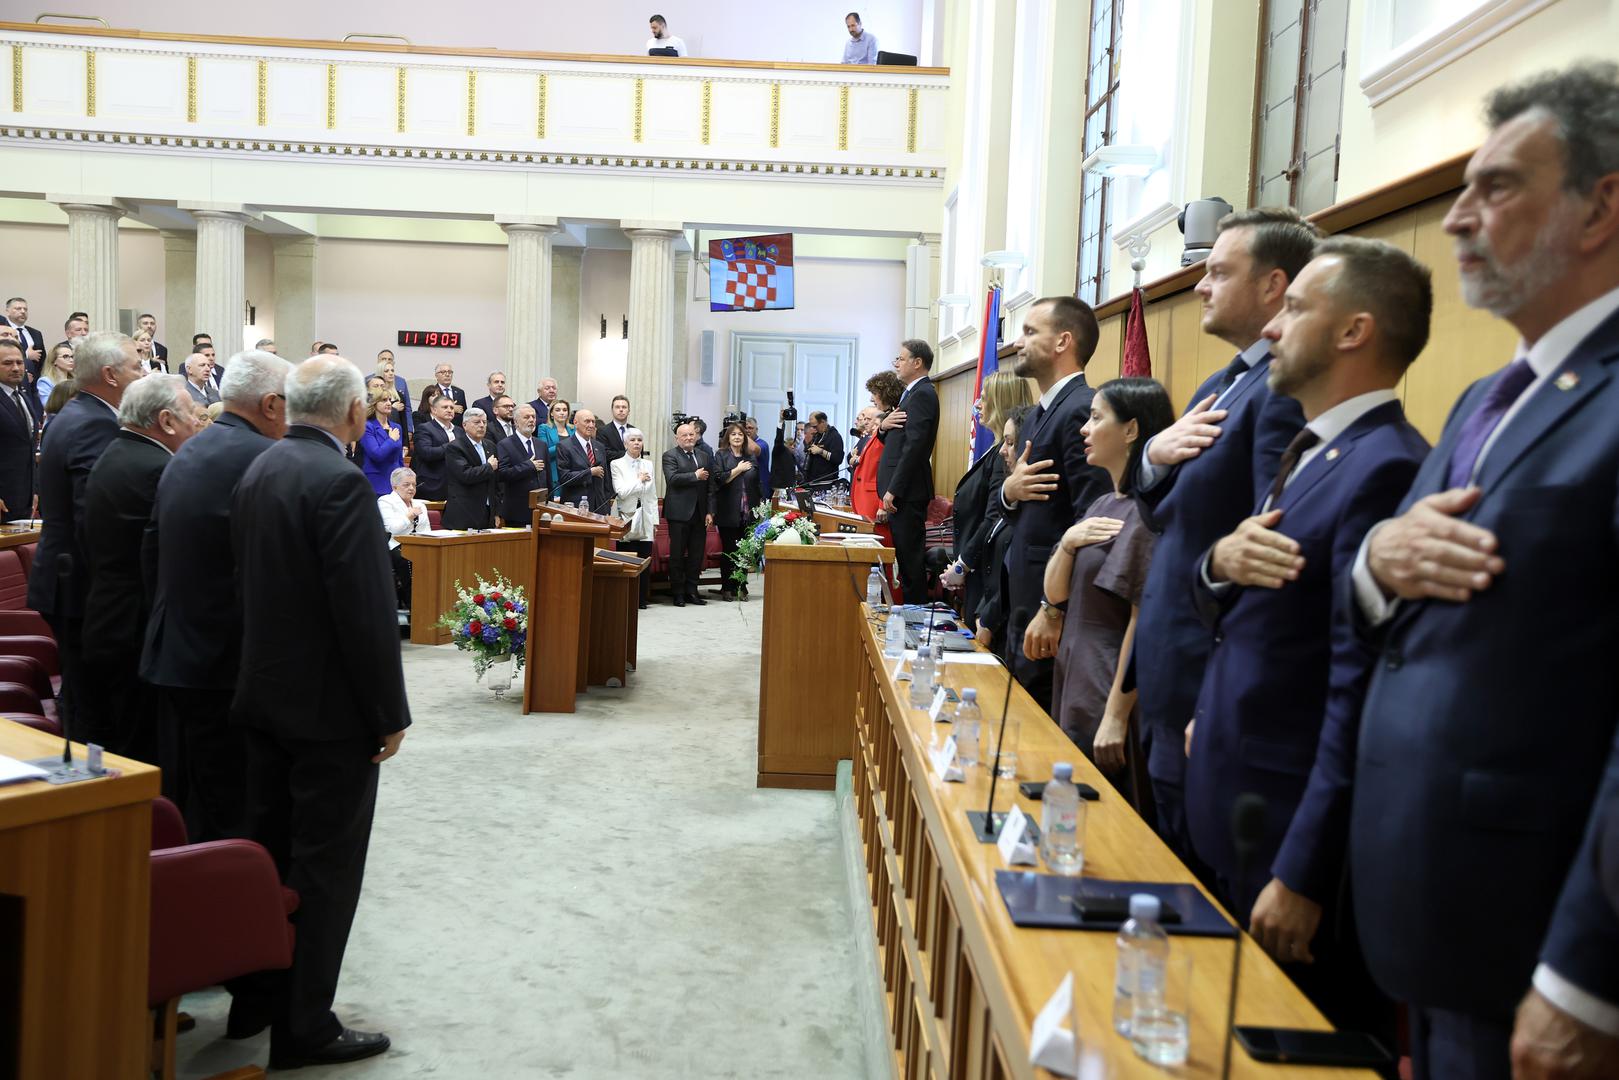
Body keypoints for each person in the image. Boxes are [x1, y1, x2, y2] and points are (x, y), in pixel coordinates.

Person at [1341, 65, 1619, 1079]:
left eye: (1493, 187)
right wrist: (1374, 559)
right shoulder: (1481, 400)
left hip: (1543, 940)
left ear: (1600, 204)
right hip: (1434, 911)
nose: (1454, 219)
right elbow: (1387, 590)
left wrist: (1585, 976)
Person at [1179, 236, 1432, 1044]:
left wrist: (1304, 869)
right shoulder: (1315, 448)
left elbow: (1355, 681)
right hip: (1236, 788)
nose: (1275, 330)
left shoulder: (1385, 466)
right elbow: (1246, 609)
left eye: (1293, 309)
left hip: (1288, 824)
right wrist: (1217, 562)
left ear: (1353, 332)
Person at [230, 354, 406, 1069]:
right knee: (327, 871)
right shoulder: (337, 482)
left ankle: (265, 1000)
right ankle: (305, 1027)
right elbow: (365, 615)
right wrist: (388, 713)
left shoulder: (260, 468)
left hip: (263, 696)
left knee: (271, 855)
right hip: (329, 713)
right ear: (355, 414)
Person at [1132, 206, 1314, 861]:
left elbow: (1264, 545)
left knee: (1200, 886)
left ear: (1272, 286)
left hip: (1205, 682)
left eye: (1216, 272)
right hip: (1167, 668)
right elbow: (1164, 515)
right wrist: (1152, 453)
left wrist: (1216, 700)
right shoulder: (1223, 383)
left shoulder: (1281, 389)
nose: (1198, 286)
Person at [142, 349, 292, 843]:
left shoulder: (190, 450)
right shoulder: (266, 460)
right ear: (271, 405)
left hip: (180, 649)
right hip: (228, 664)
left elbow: (152, 550)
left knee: (197, 797)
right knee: (237, 810)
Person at [1022, 377, 1171, 807]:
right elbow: (1056, 593)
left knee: (1108, 810)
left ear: (1131, 430)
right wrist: (1068, 542)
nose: (1085, 429)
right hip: (1076, 670)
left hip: (1108, 681)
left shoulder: (1145, 513)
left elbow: (1141, 624)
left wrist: (1115, 715)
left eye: (1095, 418)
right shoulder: (1104, 503)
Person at [26, 331, 144, 744]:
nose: (144, 372)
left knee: (84, 696)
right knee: (95, 703)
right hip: (81, 585)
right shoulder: (94, 423)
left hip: (67, 578)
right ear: (111, 375)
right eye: (136, 365)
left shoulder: (80, 413)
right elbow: (95, 517)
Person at [79, 374, 203, 761]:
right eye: (191, 416)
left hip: (109, 618)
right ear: (166, 421)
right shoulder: (158, 468)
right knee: (138, 753)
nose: (196, 425)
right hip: (135, 628)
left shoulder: (118, 452)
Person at [1000, 299, 1111, 710]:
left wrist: (1056, 608)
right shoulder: (1037, 415)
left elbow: (1092, 517)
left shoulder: (1082, 408)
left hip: (1050, 604)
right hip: (1024, 595)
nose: (1017, 342)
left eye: (1030, 332)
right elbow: (1021, 501)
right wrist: (1009, 492)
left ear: (1063, 341)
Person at [941, 370, 1033, 625]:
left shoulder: (1004, 460)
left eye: (984, 398)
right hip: (978, 570)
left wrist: (963, 564)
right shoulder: (995, 451)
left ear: (1001, 401)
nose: (977, 404)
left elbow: (993, 517)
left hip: (987, 573)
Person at [876, 339, 941, 604]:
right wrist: (882, 427)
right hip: (903, 490)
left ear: (917, 363)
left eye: (901, 359)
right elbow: (896, 440)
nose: (896, 364)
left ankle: (916, 623)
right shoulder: (910, 394)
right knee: (905, 559)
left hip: (908, 492)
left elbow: (915, 447)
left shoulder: (923, 393)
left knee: (911, 564)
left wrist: (894, 488)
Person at [661, 421, 714, 607]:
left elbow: (710, 487)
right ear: (677, 438)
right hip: (678, 513)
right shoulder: (670, 455)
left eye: (691, 434)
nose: (689, 438)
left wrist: (710, 511)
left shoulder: (704, 456)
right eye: (684, 435)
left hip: (700, 513)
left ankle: (692, 591)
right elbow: (672, 479)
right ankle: (678, 593)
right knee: (676, 555)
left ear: (696, 436)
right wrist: (695, 476)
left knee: (696, 555)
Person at [712, 421, 762, 602]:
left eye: (740, 435)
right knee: (729, 551)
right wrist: (737, 469)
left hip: (747, 511)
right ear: (728, 438)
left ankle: (741, 586)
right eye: (733, 435)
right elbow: (719, 479)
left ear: (745, 438)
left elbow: (755, 481)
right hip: (727, 511)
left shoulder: (750, 456)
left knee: (744, 551)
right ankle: (727, 587)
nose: (737, 437)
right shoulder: (721, 455)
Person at [611, 426, 658, 610]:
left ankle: (641, 600)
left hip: (645, 517)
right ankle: (627, 598)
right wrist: (638, 480)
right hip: (627, 516)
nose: (637, 443)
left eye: (639, 440)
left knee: (644, 559)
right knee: (629, 557)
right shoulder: (617, 464)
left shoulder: (649, 465)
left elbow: (652, 495)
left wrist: (655, 520)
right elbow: (621, 492)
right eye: (633, 440)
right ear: (625, 443)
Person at [0, 339, 41, 522]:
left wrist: (33, 490)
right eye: (7, 363)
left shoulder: (23, 397)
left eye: (19, 362)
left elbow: (28, 450)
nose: (16, 368)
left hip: (23, 498)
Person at [378, 466, 428, 612]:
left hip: (420, 543)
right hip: (396, 545)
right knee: (408, 559)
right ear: (395, 486)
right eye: (406, 485)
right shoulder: (385, 501)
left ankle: (428, 601)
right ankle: (414, 605)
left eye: (413, 484)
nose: (411, 488)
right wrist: (408, 516)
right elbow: (393, 528)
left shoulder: (420, 504)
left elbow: (426, 530)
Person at [443, 407, 500, 529]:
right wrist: (489, 467)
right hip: (464, 511)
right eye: (477, 422)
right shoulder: (455, 447)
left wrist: (496, 512)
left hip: (488, 510)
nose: (481, 426)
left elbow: (495, 482)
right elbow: (465, 475)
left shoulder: (490, 446)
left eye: (484, 422)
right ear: (464, 425)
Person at [494, 404, 548, 526]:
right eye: (526, 417)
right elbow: (502, 474)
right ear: (516, 422)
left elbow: (547, 475)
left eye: (533, 417)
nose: (531, 420)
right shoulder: (505, 444)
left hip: (540, 509)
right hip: (517, 510)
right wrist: (528, 466)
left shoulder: (541, 445)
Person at [556, 408, 612, 510]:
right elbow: (564, 477)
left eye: (593, 422)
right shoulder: (564, 446)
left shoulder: (599, 446)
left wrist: (606, 506)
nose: (591, 425)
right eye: (587, 421)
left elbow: (605, 481)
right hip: (575, 506)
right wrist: (589, 472)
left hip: (599, 507)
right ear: (576, 423)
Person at [358, 389, 405, 497]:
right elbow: (377, 454)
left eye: (389, 400)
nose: (389, 403)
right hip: (376, 481)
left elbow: (399, 458)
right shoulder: (367, 426)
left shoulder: (396, 427)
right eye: (384, 400)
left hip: (395, 482)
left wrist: (403, 478)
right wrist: (391, 440)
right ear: (374, 404)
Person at [412, 393, 458, 501]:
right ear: (434, 410)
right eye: (445, 407)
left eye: (452, 407)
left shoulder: (459, 431)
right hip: (432, 485)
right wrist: (451, 446)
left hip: (455, 486)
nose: (449, 410)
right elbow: (426, 453)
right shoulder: (425, 428)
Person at [536, 397, 573, 495]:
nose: (562, 412)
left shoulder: (573, 429)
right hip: (554, 473)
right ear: (551, 413)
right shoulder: (544, 428)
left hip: (572, 473)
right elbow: (544, 452)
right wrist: (563, 445)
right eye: (558, 410)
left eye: (565, 410)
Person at [375, 351, 412, 443]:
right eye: (387, 371)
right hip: (378, 433)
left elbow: (403, 419)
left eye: (392, 370)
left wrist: (406, 443)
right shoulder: (375, 394)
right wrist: (393, 408)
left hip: (397, 433)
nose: (391, 373)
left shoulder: (399, 395)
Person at [802, 411, 844, 488]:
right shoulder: (817, 436)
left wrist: (821, 451)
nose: (813, 429)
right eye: (812, 426)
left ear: (823, 422)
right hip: (812, 481)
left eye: (815, 426)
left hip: (826, 483)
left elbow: (838, 459)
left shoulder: (834, 436)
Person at [3, 296, 44, 375]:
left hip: (35, 381)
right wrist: (26, 355)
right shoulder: (3, 331)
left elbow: (43, 360)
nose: (23, 311)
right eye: (18, 308)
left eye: (25, 309)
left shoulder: (36, 333)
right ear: (8, 311)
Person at [35, 342, 74, 408]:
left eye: (72, 357)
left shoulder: (75, 380)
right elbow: (48, 405)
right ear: (54, 360)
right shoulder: (45, 381)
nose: (71, 360)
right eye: (65, 356)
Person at [599, 394, 632, 463]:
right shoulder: (603, 431)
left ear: (629, 411)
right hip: (612, 471)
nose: (621, 410)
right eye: (617, 407)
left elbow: (639, 452)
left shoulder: (634, 430)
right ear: (612, 410)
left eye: (624, 407)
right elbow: (605, 454)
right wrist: (628, 454)